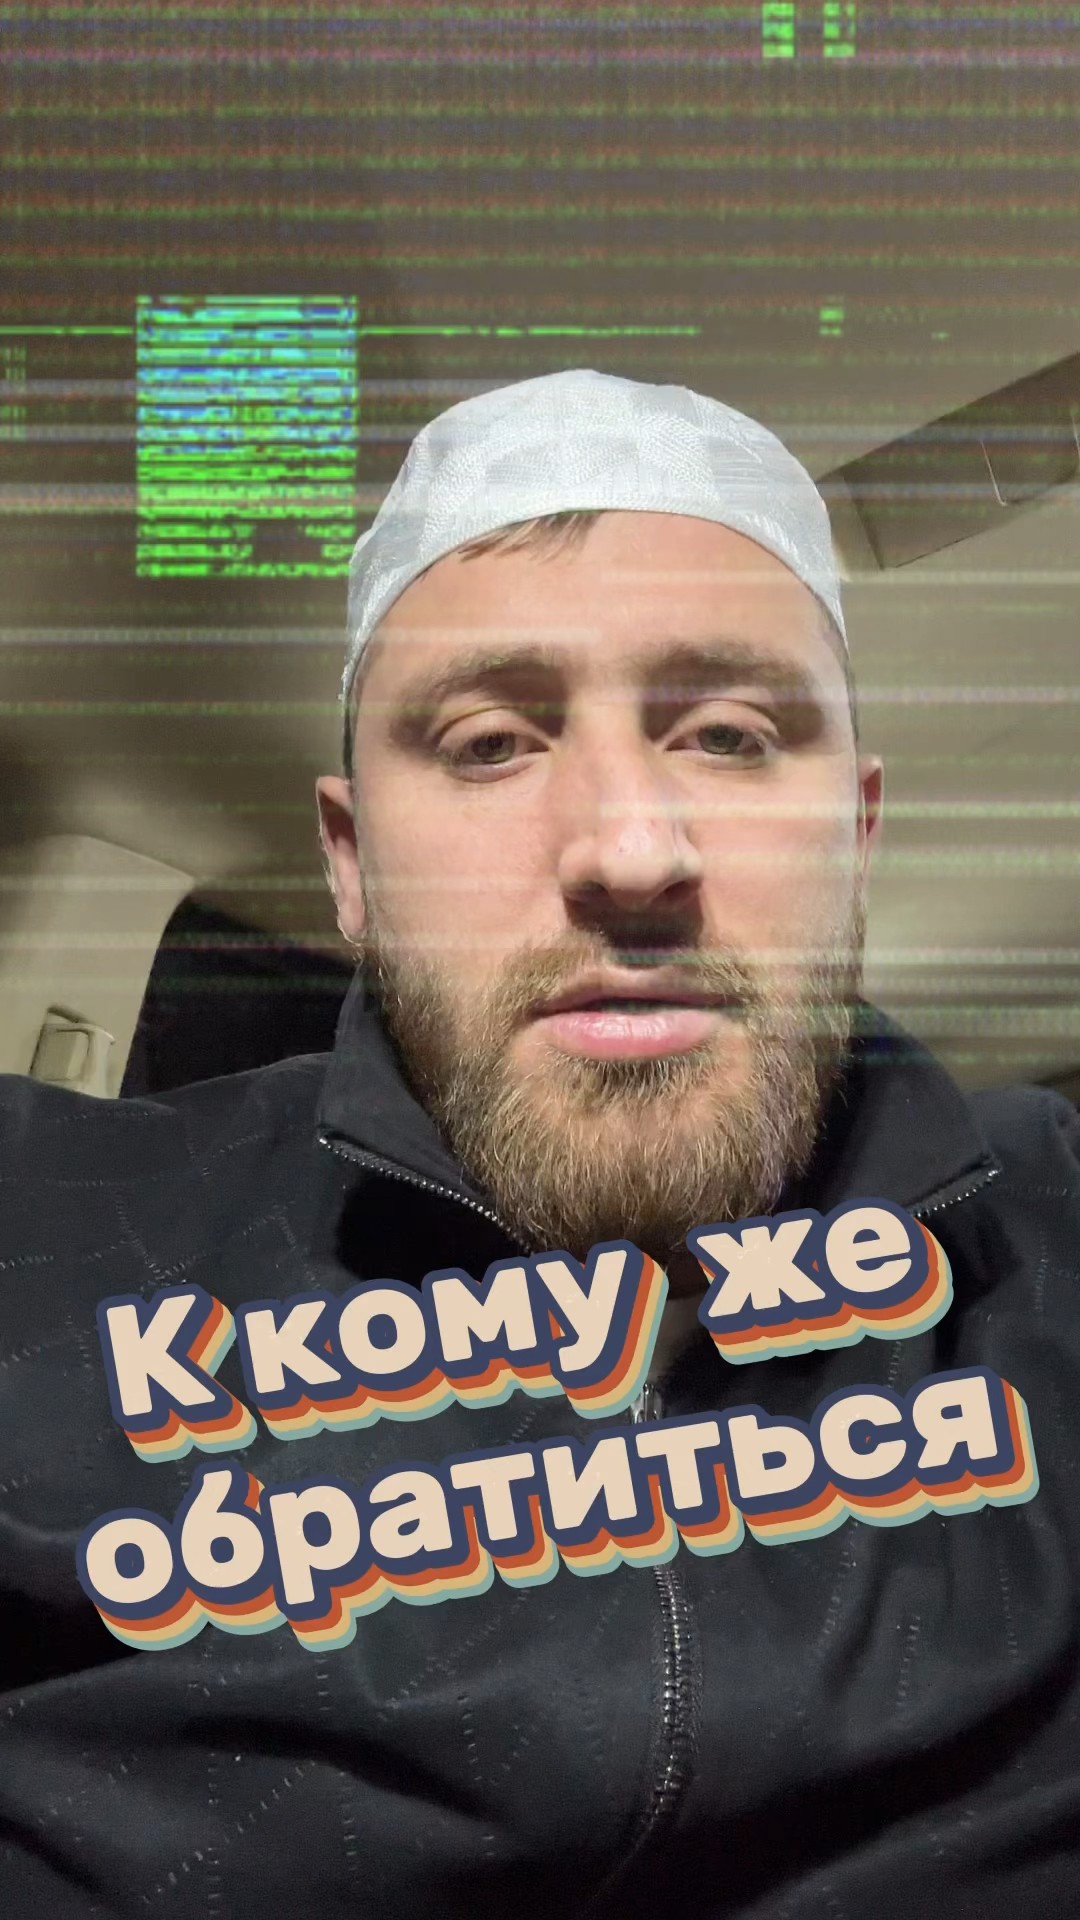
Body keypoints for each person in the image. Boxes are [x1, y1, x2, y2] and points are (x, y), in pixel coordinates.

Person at [1, 367, 1078, 1920]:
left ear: (855, 835)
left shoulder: (1050, 1244)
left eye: (728, 734)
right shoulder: (47, 1231)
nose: (630, 852)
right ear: (353, 863)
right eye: (492, 742)